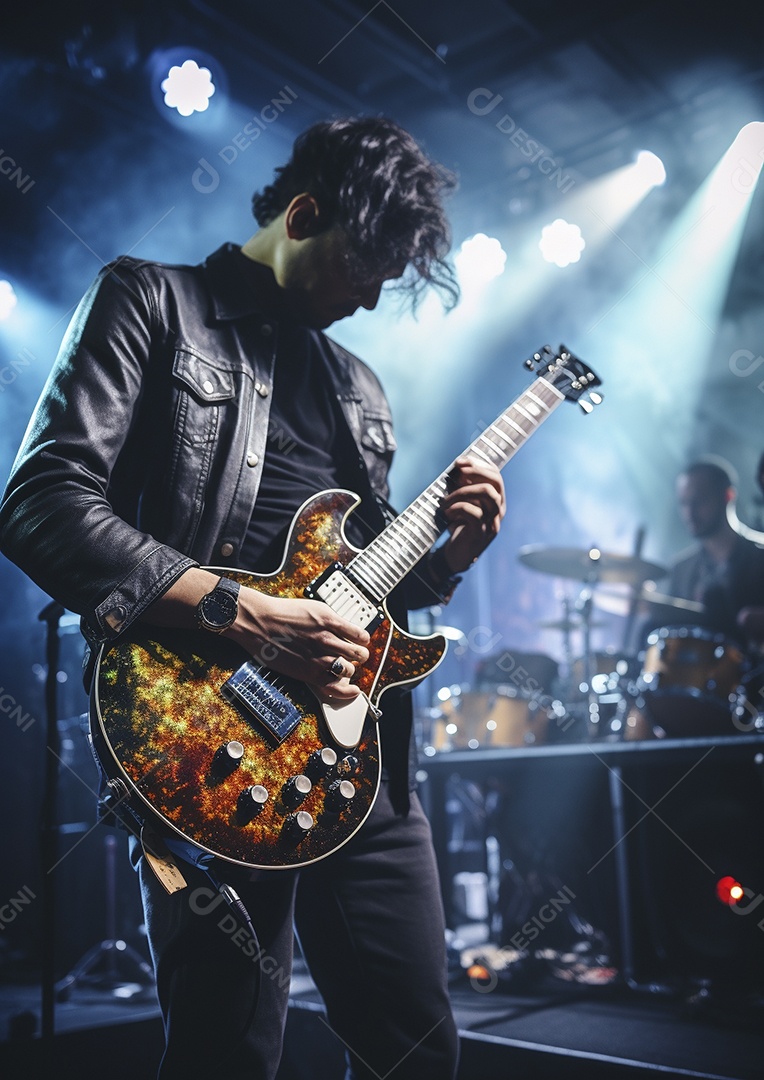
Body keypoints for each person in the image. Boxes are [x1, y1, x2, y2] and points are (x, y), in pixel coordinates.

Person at [0, 118, 506, 1079]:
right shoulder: (150, 300)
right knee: (227, 1043)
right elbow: (41, 502)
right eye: (367, 264)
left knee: (416, 1043)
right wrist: (248, 613)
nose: (375, 293)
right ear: (304, 214)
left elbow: (371, 588)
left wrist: (450, 558)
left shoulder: (360, 386)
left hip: (360, 752)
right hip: (204, 725)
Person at [667, 458, 764, 645]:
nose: (690, 512)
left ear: (728, 496)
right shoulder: (681, 570)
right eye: (684, 503)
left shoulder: (760, 557)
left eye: (699, 500)